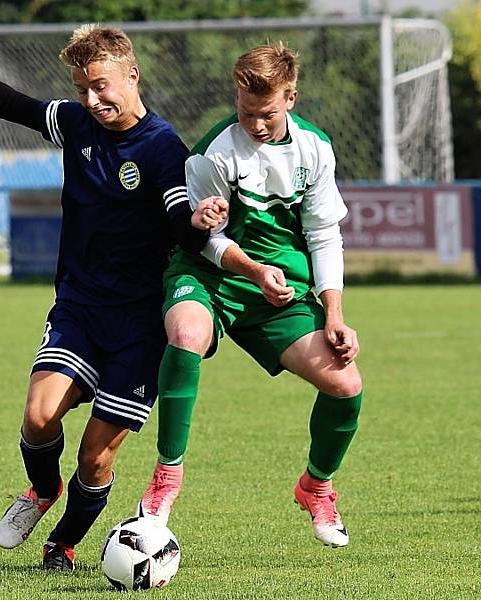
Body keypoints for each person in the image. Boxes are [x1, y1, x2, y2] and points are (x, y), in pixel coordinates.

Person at [0, 26, 227, 571]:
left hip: (141, 325)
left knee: (96, 456)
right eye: (82, 89)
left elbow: (180, 226)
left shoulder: (164, 148)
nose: (92, 100)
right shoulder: (76, 124)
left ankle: (62, 544)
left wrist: (196, 223)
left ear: (131, 74)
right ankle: (42, 490)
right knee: (38, 417)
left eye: (101, 85)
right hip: (79, 306)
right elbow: (11, 104)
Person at [136, 42, 363, 548]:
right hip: (211, 275)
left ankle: (316, 486)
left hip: (277, 293)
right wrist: (253, 268)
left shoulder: (315, 149)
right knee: (188, 333)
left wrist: (335, 315)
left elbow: (325, 235)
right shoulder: (215, 150)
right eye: (245, 112)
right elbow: (205, 239)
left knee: (346, 384)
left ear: (291, 98)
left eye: (266, 114)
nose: (255, 124)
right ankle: (166, 477)